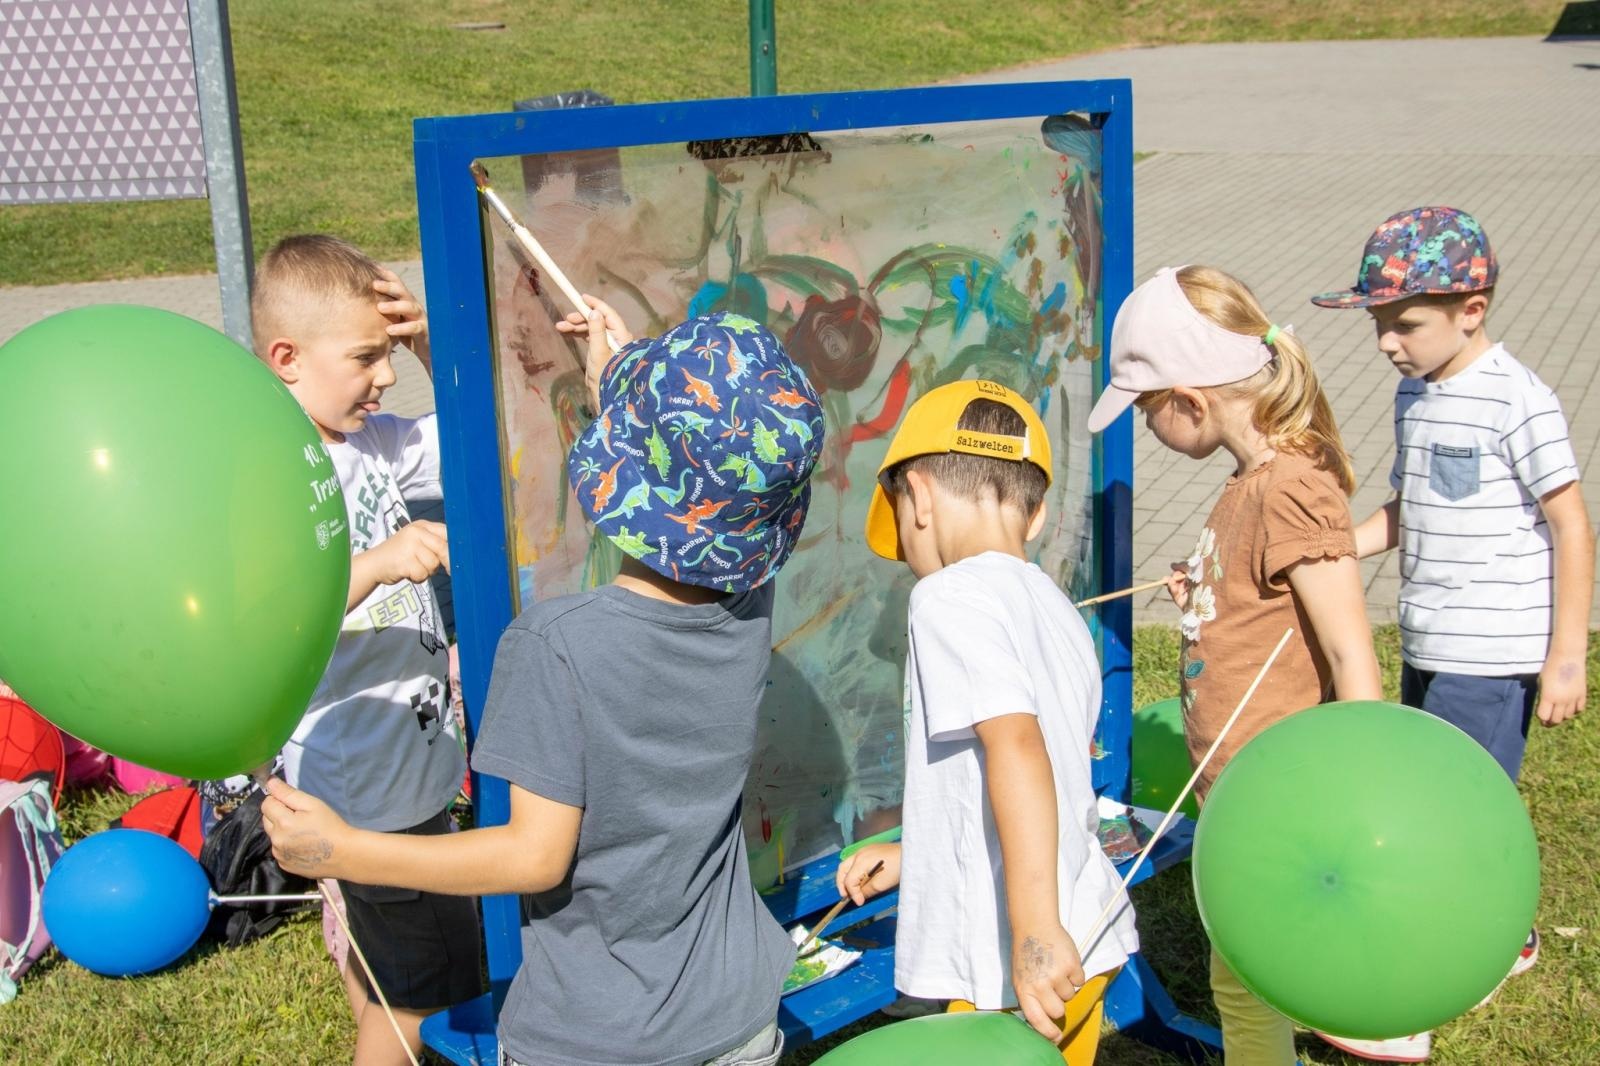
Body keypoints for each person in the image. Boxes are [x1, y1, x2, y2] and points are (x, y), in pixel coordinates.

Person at [263, 298, 826, 1066]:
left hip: (602, 1040)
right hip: (737, 1015)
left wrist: (344, 850)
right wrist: (622, 378)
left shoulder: (556, 646)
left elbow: (533, 858)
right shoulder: (750, 603)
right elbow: (712, 480)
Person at [1308, 206, 1593, 1063]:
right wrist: (1334, 548)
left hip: (1494, 653)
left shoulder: (1519, 400)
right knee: (1444, 794)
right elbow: (1409, 507)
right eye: (1379, 325)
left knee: (1454, 811)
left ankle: (1436, 963)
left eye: (1405, 324)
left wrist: (1567, 653)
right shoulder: (1415, 393)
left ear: (1472, 310)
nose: (1389, 343)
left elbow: (1571, 525)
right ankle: (1509, 935)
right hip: (1429, 642)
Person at [1086, 264, 1383, 1066]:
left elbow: (1351, 648)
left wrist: (1360, 790)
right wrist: (1205, 590)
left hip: (1277, 797)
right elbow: (1264, 605)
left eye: (1146, 411)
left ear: (1190, 400)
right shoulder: (1252, 480)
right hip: (1239, 792)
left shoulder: (1287, 486)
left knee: (1247, 982)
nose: (1146, 429)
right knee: (1247, 979)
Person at [835, 379, 1139, 1065]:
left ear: (917, 494)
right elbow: (1042, 771)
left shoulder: (946, 597)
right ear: (1034, 518)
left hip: (1009, 960)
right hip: (1084, 934)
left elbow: (1017, 747)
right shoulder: (1055, 607)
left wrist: (1031, 933)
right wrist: (921, 858)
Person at [251, 235, 480, 1065]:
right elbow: (275, 614)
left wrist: (428, 345)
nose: (385, 378)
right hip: (368, 788)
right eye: (366, 357)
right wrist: (380, 561)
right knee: (430, 993)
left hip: (395, 769)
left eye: (389, 355)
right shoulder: (274, 466)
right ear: (286, 357)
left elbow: (473, 427)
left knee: (385, 969)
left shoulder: (373, 441)